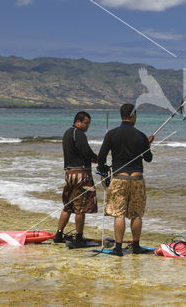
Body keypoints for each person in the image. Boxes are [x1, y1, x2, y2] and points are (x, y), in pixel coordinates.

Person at [97, 103, 154, 256]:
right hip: (137, 178)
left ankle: (118, 248)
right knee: (136, 214)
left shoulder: (112, 134)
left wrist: (103, 170)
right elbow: (148, 158)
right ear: (133, 115)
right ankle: (136, 246)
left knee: (119, 214)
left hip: (119, 177)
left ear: (121, 115)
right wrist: (147, 145)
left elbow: (101, 158)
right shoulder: (140, 135)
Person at [53, 111, 98, 246]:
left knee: (68, 205)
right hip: (81, 174)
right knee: (81, 207)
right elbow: (86, 151)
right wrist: (97, 159)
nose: (87, 126)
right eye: (86, 123)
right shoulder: (79, 134)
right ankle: (79, 238)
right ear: (78, 122)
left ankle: (58, 234)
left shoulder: (67, 133)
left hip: (69, 173)